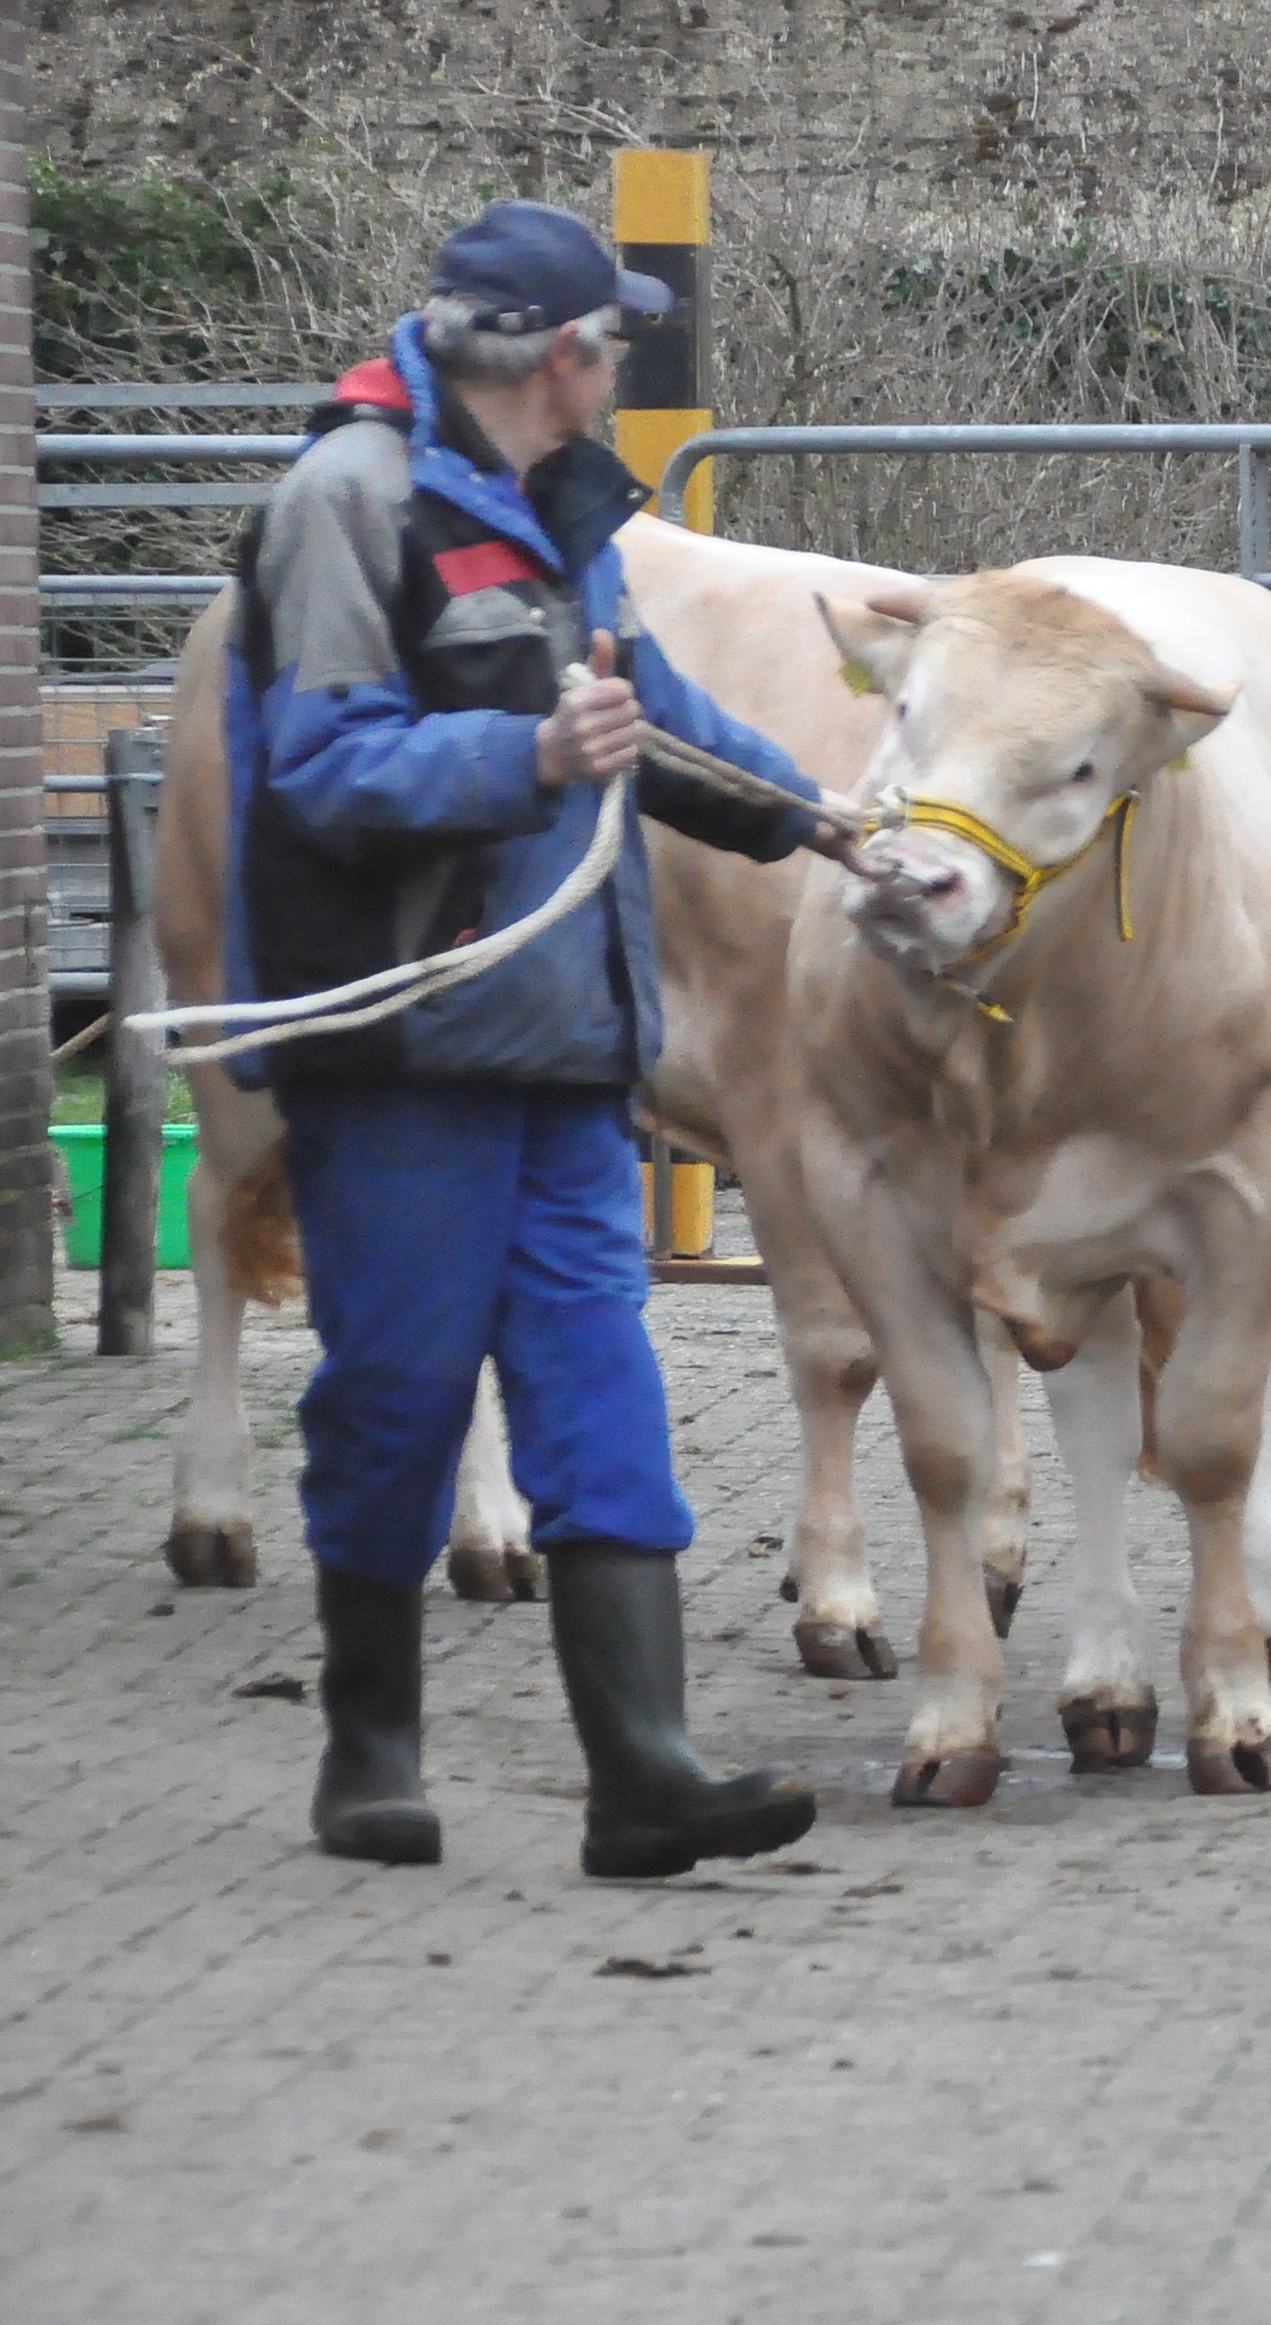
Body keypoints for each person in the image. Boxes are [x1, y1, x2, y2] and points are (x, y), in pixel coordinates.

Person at [231, 200, 879, 1876]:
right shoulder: (346, 506)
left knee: (604, 1392)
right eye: (615, 338)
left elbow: (648, 717)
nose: (625, 363)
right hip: (404, 1049)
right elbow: (316, 769)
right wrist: (521, 760)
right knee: (397, 1393)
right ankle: (368, 1741)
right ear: (562, 357)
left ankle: (644, 1771)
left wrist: (830, 823)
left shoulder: (561, 511)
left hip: (568, 1048)